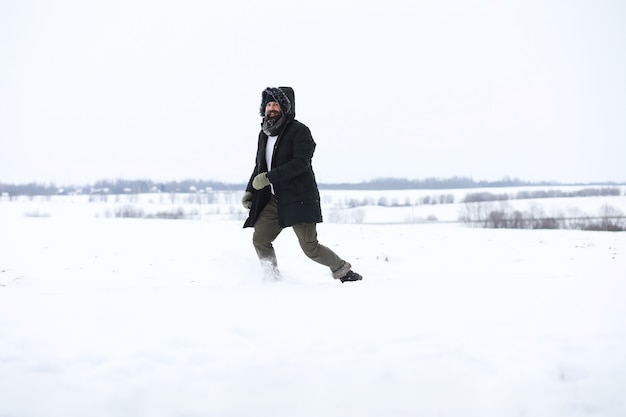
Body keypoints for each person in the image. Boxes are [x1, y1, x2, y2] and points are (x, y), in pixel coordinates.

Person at [242, 86, 363, 283]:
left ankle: (343, 271)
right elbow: (259, 166)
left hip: (300, 198)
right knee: (260, 239)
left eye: (276, 104)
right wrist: (250, 192)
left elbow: (300, 164)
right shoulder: (264, 134)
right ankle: (271, 278)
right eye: (268, 104)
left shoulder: (300, 131)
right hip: (275, 200)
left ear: (286, 108)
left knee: (310, 248)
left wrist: (269, 178)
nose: (271, 108)